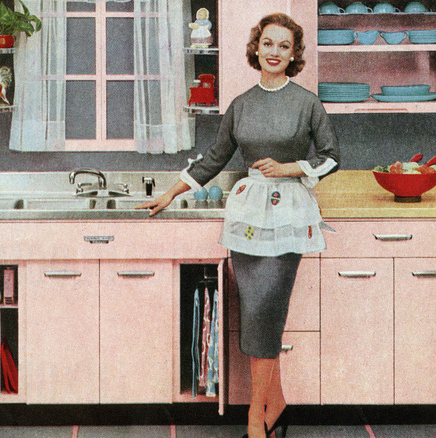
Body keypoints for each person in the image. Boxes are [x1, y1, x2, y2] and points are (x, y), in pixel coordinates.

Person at [137, 13, 340, 438]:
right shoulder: (241, 104)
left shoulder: (307, 103)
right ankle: (277, 406)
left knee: (267, 310)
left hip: (287, 219)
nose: (274, 52)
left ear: (293, 55)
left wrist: (289, 168)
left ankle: (254, 418)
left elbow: (332, 156)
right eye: (268, 43)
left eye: (284, 46)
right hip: (248, 221)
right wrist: (171, 192)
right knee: (255, 313)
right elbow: (213, 158)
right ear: (256, 48)